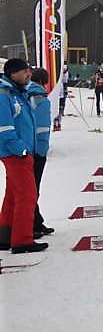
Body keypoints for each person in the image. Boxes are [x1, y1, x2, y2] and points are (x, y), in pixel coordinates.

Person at [0, 59, 46, 254]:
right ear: (12, 74)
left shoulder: (16, 92)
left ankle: (5, 235)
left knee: (13, 195)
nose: (29, 75)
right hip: (15, 153)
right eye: (25, 72)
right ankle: (22, 240)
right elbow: (5, 128)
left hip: (19, 152)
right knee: (28, 195)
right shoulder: (4, 95)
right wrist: (22, 150)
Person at [27, 68, 54, 238]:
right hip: (35, 150)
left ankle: (36, 220)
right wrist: (42, 150)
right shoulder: (42, 99)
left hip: (25, 147)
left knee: (28, 188)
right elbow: (42, 129)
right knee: (32, 188)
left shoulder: (23, 95)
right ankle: (32, 223)